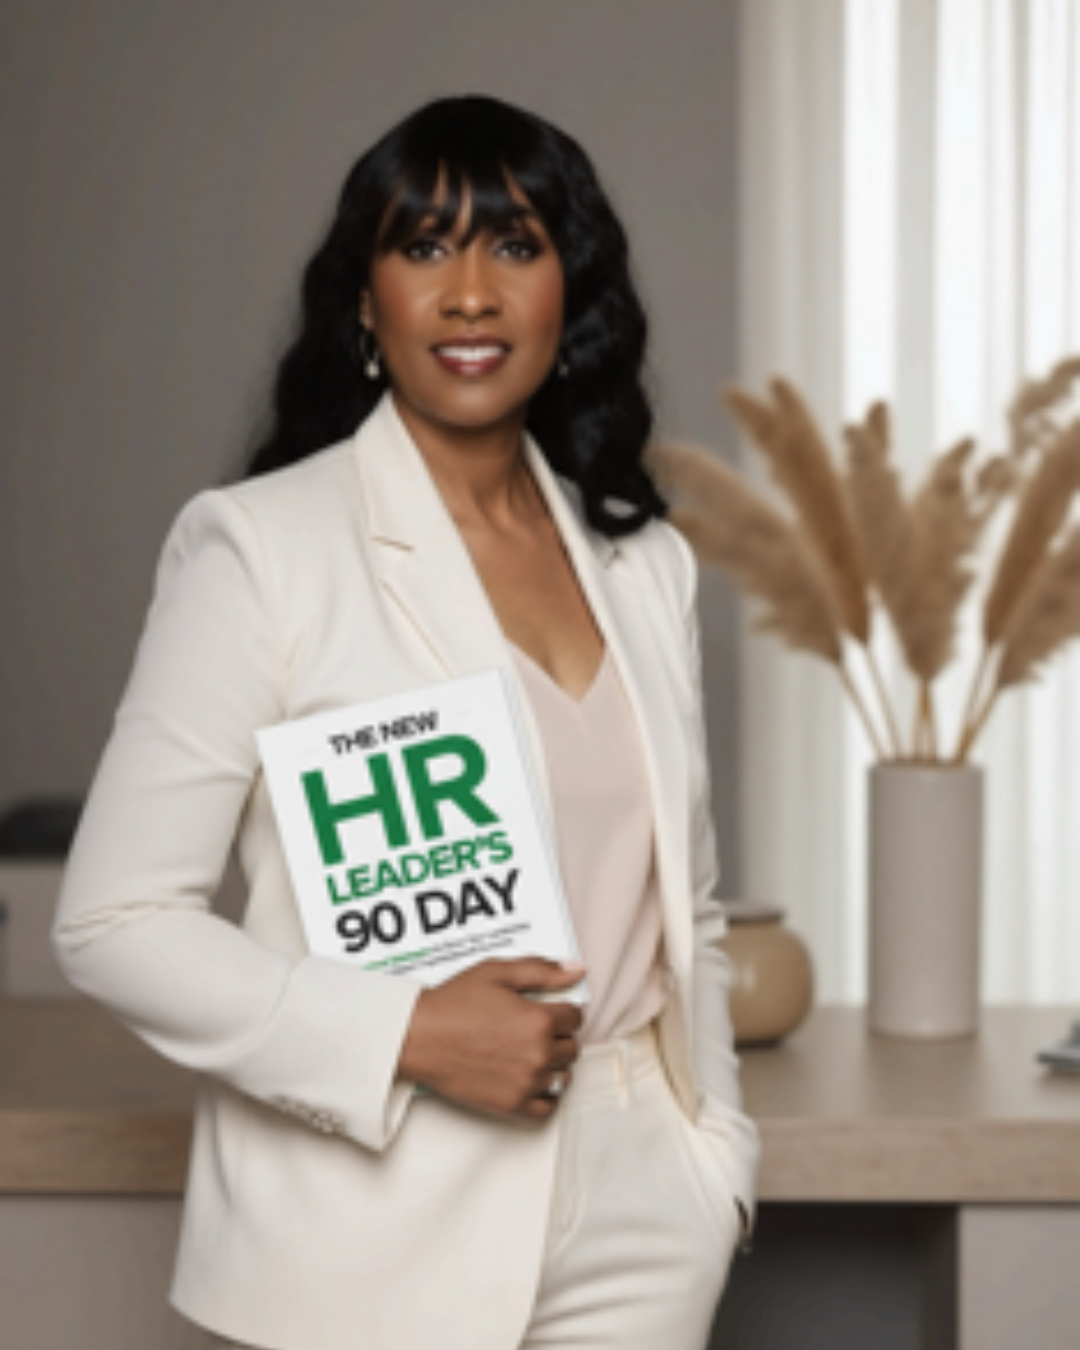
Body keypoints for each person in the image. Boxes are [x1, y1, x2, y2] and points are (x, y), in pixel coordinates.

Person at [53, 94, 760, 1350]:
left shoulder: (644, 563)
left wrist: (714, 1162)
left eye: (518, 244)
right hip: (369, 1226)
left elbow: (685, 909)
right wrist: (413, 1033)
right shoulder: (260, 548)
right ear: (366, 303)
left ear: (570, 293)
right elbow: (114, 921)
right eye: (425, 246)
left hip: (644, 1206)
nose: (472, 290)